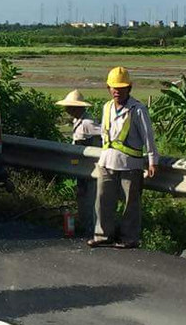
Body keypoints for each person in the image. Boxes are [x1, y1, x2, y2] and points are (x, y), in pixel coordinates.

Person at [88, 66, 158, 249]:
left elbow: (148, 136)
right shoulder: (107, 107)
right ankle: (102, 235)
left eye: (121, 87)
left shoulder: (138, 109)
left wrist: (152, 160)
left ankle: (129, 237)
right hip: (107, 161)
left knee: (130, 203)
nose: (117, 91)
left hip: (130, 164)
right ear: (108, 88)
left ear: (129, 88)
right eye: (114, 87)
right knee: (103, 199)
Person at [55, 89, 102, 233]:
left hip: (90, 167)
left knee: (90, 198)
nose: (66, 109)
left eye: (69, 107)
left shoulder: (87, 123)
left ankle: (91, 228)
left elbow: (104, 133)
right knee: (83, 195)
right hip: (82, 167)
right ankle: (85, 225)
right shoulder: (78, 121)